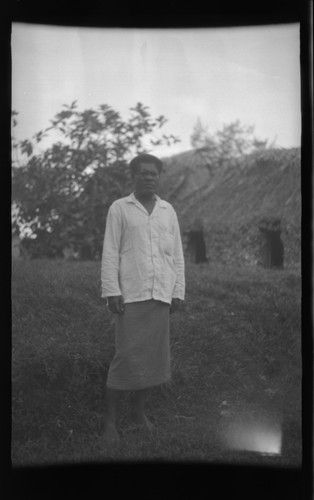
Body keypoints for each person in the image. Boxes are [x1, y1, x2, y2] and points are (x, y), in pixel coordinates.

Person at [101, 153, 185, 442]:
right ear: (133, 176)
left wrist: (178, 291)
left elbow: (176, 255)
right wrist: (112, 290)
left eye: (154, 173)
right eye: (143, 173)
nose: (149, 177)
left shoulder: (167, 210)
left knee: (155, 361)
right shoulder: (120, 209)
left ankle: (138, 412)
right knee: (125, 358)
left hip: (161, 294)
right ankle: (110, 422)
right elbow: (111, 252)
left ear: (159, 177)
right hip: (131, 296)